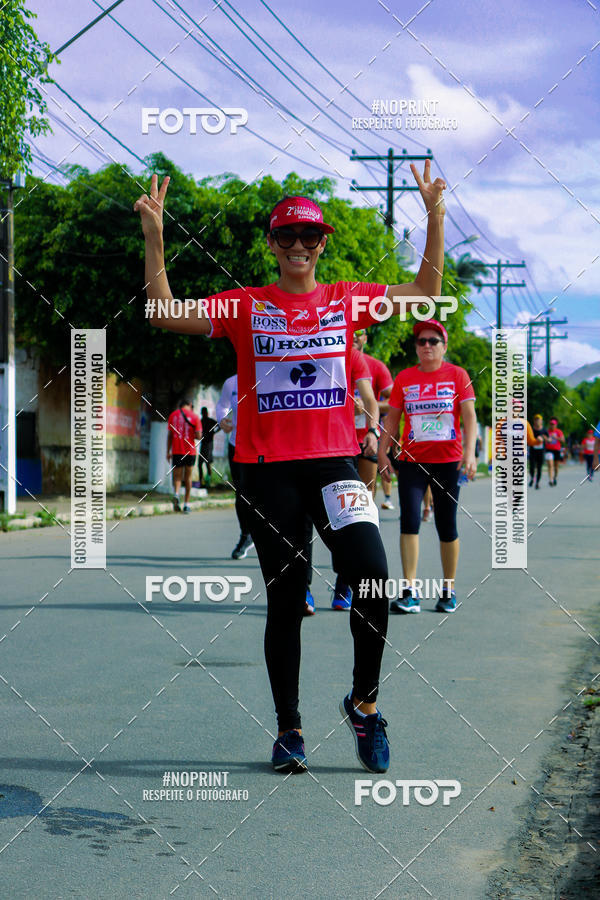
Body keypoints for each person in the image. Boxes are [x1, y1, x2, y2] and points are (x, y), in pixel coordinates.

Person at [136, 160, 446, 775]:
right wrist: (155, 239)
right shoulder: (245, 306)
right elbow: (163, 312)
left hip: (334, 465)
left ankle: (364, 704)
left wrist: (434, 219)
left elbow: (425, 293)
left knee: (372, 575)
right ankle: (289, 729)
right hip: (267, 470)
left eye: (309, 236)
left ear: (322, 243)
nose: (299, 246)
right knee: (287, 601)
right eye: (287, 237)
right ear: (273, 245)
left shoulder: (346, 300)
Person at [378, 319, 477, 614]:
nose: (426, 346)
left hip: (448, 461)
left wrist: (470, 454)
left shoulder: (458, 376)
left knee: (447, 526)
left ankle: (448, 590)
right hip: (412, 461)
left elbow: (469, 418)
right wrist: (383, 453)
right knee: (409, 521)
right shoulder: (405, 378)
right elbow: (393, 419)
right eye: (421, 341)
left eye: (433, 340)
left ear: (444, 346)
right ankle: (409, 591)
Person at [216, 375, 255, 559]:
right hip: (237, 445)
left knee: (269, 494)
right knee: (241, 495)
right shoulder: (231, 382)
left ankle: (271, 537)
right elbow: (222, 405)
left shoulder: (269, 373)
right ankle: (246, 535)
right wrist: (222, 419)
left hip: (265, 446)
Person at [352, 329, 393, 498]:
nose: (354, 335)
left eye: (359, 332)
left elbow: (395, 402)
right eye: (351, 331)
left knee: (366, 496)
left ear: (365, 339)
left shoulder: (376, 366)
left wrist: (368, 405)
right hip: (337, 441)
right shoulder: (332, 362)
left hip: (366, 438)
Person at [166, 399, 201, 513]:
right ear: (190, 405)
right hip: (190, 451)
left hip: (177, 451)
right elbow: (199, 436)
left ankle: (176, 494)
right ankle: (186, 504)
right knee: (188, 478)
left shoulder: (173, 415)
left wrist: (168, 451)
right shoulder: (195, 417)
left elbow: (170, 435)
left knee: (177, 477)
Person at [199, 407, 219, 488]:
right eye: (203, 412)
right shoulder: (201, 421)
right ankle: (201, 481)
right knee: (199, 464)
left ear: (207, 413)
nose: (204, 414)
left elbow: (219, 425)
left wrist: (214, 432)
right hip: (203, 444)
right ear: (202, 413)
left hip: (209, 444)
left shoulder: (210, 421)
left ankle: (208, 481)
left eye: (205, 412)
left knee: (208, 463)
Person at [528, 414, 547, 490]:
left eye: (538, 420)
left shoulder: (544, 430)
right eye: (536, 420)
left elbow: (549, 440)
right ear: (534, 421)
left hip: (541, 451)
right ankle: (532, 478)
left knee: (539, 468)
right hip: (533, 450)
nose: (537, 421)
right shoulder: (531, 429)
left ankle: (537, 483)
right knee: (532, 467)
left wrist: (543, 438)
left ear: (541, 421)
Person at [545, 417, 565, 486]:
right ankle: (550, 480)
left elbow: (563, 440)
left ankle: (554, 477)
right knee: (550, 465)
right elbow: (544, 438)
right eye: (551, 424)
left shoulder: (559, 431)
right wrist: (547, 439)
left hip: (557, 450)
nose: (552, 425)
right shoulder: (547, 431)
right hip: (549, 450)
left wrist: (556, 437)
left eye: (553, 424)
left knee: (556, 467)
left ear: (556, 425)